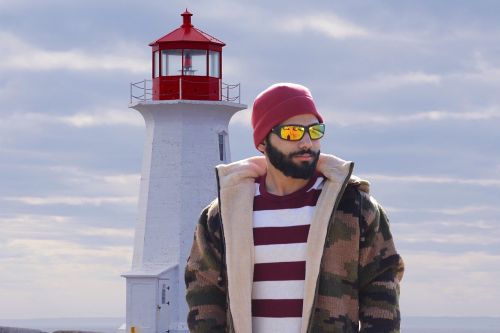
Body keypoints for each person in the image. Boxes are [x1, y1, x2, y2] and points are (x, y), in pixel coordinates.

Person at [185, 83, 404, 333]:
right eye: (292, 132)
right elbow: (203, 293)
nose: (306, 142)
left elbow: (382, 292)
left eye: (314, 130)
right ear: (262, 142)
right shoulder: (223, 216)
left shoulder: (355, 209)